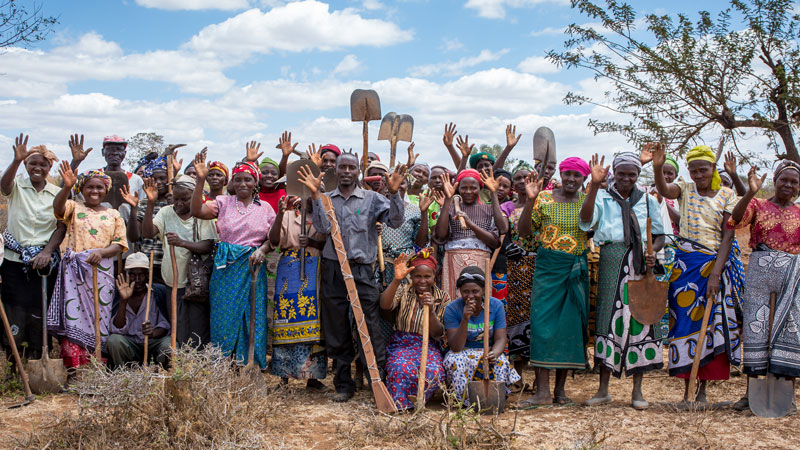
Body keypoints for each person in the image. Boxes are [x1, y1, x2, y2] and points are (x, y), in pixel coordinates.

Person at [298, 153, 406, 403]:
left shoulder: (372, 199)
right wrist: (315, 196)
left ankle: (377, 381)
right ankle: (343, 384)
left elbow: (396, 221)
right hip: (335, 269)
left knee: (368, 326)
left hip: (361, 270)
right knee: (337, 327)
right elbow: (324, 229)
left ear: (358, 171)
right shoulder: (325, 198)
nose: (346, 171)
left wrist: (395, 193)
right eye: (342, 167)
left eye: (351, 167)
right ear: (335, 170)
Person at [652, 144, 743, 404]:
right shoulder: (685, 188)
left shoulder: (727, 195)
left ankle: (702, 392)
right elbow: (664, 189)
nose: (698, 175)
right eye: (693, 170)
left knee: (711, 325)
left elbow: (727, 237)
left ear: (713, 169)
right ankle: (686, 392)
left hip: (712, 265)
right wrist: (658, 168)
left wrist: (716, 274)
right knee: (683, 323)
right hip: (685, 266)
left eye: (703, 170)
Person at [580, 153, 666, 409]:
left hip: (641, 264)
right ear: (613, 173)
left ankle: (637, 391)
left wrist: (652, 252)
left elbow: (660, 235)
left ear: (638, 176)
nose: (627, 179)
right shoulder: (603, 197)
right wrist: (594, 186)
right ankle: (603, 389)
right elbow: (586, 221)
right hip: (612, 257)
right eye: (622, 174)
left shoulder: (649, 201)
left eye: (632, 174)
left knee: (642, 319)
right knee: (608, 319)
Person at [517, 157, 591, 408]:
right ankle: (542, 392)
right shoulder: (544, 199)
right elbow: (524, 232)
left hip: (574, 269)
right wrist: (530, 200)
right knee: (542, 326)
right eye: (567, 174)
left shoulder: (587, 201)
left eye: (577, 175)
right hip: (548, 268)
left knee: (569, 328)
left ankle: (560, 391)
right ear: (561, 173)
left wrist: (597, 190)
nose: (571, 179)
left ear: (584, 179)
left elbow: (591, 226)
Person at [190, 153, 275, 369]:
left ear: (255, 182)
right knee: (223, 316)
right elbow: (196, 211)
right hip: (226, 267)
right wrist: (200, 180)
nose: (242, 183)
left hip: (253, 266)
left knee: (252, 314)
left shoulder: (265, 208)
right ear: (232, 183)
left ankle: (250, 364)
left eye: (248, 179)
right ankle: (223, 365)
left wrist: (263, 250)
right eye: (238, 179)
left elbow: (273, 239)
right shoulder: (223, 202)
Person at [728, 161, 800, 412]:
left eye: (794, 182)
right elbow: (735, 220)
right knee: (756, 329)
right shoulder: (758, 205)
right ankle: (751, 394)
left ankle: (787, 397)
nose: (788, 185)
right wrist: (750, 192)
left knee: (789, 332)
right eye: (784, 180)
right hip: (759, 273)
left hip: (791, 277)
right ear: (777, 180)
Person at [48, 162, 128, 368]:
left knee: (99, 319)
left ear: (106, 190)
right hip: (74, 274)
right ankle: (74, 368)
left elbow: (120, 244)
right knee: (73, 317)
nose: (94, 191)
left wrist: (101, 252)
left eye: (99, 187)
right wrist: (66, 187)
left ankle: (95, 368)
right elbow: (58, 209)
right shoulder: (74, 207)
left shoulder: (114, 214)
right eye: (89, 187)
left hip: (102, 273)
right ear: (81, 189)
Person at [0, 135, 65, 361]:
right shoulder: (17, 185)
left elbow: (61, 226)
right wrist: (16, 160)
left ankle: (38, 358)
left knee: (39, 309)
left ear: (49, 167)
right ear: (26, 165)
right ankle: (13, 362)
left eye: (42, 164)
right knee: (14, 309)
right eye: (32, 163)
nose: (37, 167)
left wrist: (47, 252)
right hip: (14, 260)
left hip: (44, 264)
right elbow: (4, 186)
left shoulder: (57, 193)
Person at [141, 175, 217, 347]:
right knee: (178, 325)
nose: (179, 203)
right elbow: (147, 232)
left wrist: (182, 243)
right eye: (176, 199)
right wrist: (151, 203)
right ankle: (181, 362)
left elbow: (208, 246)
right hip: (173, 281)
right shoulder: (166, 212)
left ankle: (199, 363)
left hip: (197, 282)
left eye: (185, 199)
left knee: (199, 326)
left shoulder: (201, 214)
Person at [267, 195, 328, 391]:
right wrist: (279, 214)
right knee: (286, 318)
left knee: (316, 322)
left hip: (315, 267)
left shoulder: (324, 215)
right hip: (290, 268)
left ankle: (313, 377)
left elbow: (331, 243)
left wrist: (312, 241)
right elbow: (274, 240)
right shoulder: (288, 214)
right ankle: (283, 377)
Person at [379, 249, 450, 410]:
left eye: (427, 276)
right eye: (418, 276)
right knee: (400, 367)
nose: (422, 281)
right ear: (412, 276)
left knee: (434, 371)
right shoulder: (404, 290)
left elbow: (438, 333)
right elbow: (384, 305)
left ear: (434, 276)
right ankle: (401, 405)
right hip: (402, 343)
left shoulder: (442, 297)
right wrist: (397, 280)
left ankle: (418, 401)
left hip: (428, 345)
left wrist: (431, 310)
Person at [443, 266, 520, 405]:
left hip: (488, 350)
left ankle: (493, 399)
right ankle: (464, 401)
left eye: (475, 291)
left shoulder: (496, 306)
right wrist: (465, 318)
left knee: (501, 362)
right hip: (462, 351)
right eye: (465, 291)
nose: (470, 296)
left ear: (484, 290)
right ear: (460, 291)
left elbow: (501, 338)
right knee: (457, 362)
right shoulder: (452, 308)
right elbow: (455, 346)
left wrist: (494, 353)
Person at [435, 169, 501, 301]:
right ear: (458, 188)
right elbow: (441, 235)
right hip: (453, 261)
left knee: (478, 300)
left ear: (480, 188)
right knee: (453, 300)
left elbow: (494, 242)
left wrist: (471, 225)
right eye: (464, 188)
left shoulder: (488, 209)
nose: (468, 191)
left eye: (473, 187)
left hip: (480, 261)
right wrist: (448, 200)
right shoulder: (452, 208)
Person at [107, 253, 171, 368]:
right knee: (114, 341)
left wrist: (152, 333)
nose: (137, 279)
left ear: (148, 275)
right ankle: (125, 377)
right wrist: (123, 300)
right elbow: (117, 328)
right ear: (126, 274)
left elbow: (165, 326)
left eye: (142, 274)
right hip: (129, 344)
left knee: (169, 344)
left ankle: (160, 375)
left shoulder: (158, 292)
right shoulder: (117, 294)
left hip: (152, 343)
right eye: (132, 274)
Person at [503, 168, 537, 386]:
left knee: (540, 318)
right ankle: (518, 375)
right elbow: (503, 236)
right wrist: (508, 248)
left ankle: (539, 375)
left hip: (540, 265)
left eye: (527, 178)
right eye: (518, 178)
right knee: (516, 318)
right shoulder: (508, 207)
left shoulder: (542, 203)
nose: (523, 182)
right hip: (515, 268)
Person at [127, 155, 170, 283]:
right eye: (154, 179)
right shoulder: (143, 204)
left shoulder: (175, 204)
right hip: (147, 262)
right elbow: (134, 237)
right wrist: (134, 209)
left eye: (162, 178)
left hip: (168, 263)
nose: (158, 183)